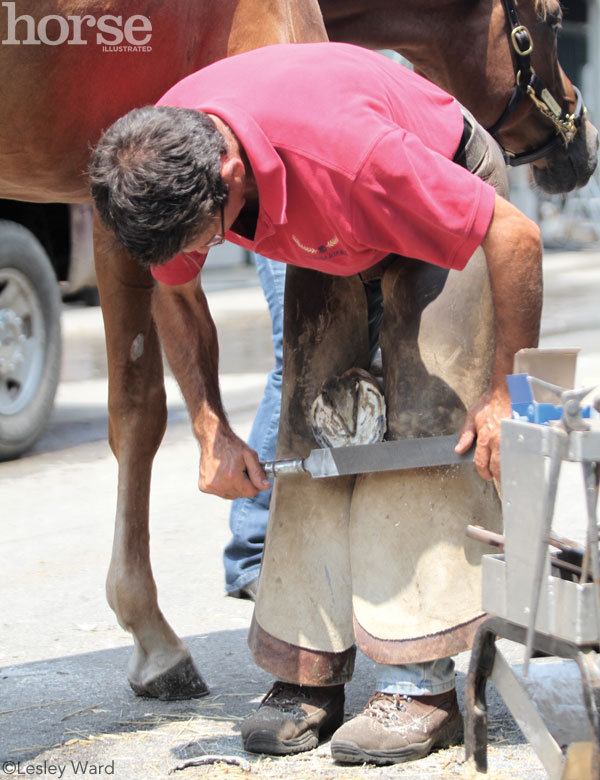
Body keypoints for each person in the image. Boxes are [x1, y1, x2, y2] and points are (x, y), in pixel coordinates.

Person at [89, 42, 543, 766]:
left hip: (421, 180)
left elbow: (516, 237)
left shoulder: (352, 156)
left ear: (230, 173)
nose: (202, 252)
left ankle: (418, 686)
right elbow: (174, 290)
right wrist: (210, 427)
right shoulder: (164, 166)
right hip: (327, 223)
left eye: (208, 235)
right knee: (310, 434)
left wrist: (500, 397)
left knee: (423, 429)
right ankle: (307, 670)